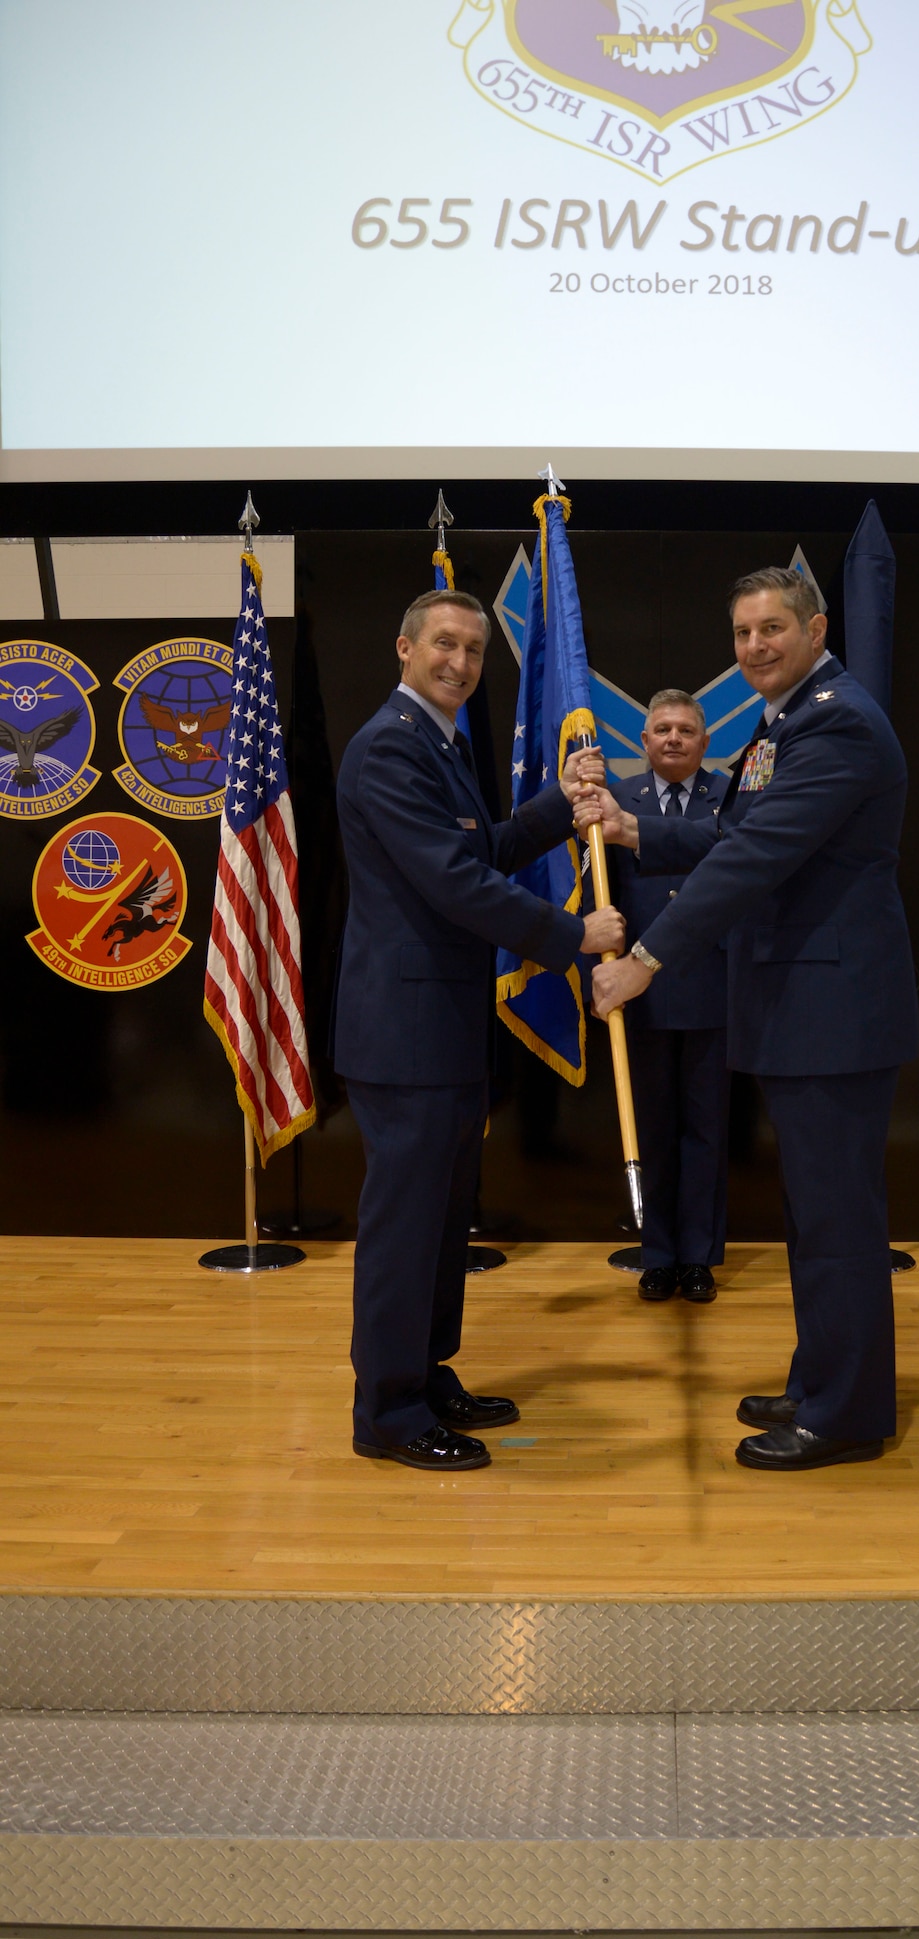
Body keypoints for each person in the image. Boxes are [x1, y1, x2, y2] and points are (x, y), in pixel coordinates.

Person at [590, 567, 917, 1471]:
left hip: (833, 1013)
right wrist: (631, 832)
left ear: (815, 629)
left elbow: (755, 858)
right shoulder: (795, 718)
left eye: (772, 628)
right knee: (814, 1218)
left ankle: (844, 1416)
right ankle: (821, 1382)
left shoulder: (836, 720)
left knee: (838, 1223)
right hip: (806, 1008)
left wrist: (647, 962)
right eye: (741, 633)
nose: (755, 647)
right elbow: (735, 832)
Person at [334, 589, 622, 1471]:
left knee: (443, 1218)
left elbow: (477, 851)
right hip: (406, 1032)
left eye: (471, 650)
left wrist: (555, 806)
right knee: (405, 1226)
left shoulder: (439, 741)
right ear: (404, 647)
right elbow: (454, 885)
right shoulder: (390, 746)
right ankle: (387, 1411)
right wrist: (575, 938)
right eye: (443, 646)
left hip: (444, 1028)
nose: (458, 663)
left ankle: (424, 1374)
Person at [605, 690, 731, 1305]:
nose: (674, 738)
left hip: (712, 984)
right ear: (644, 742)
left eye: (686, 729)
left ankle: (699, 1257)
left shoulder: (731, 797)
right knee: (651, 1127)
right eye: (662, 729)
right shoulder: (615, 801)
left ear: (705, 742)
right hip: (642, 989)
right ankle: (657, 1255)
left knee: (706, 1130)